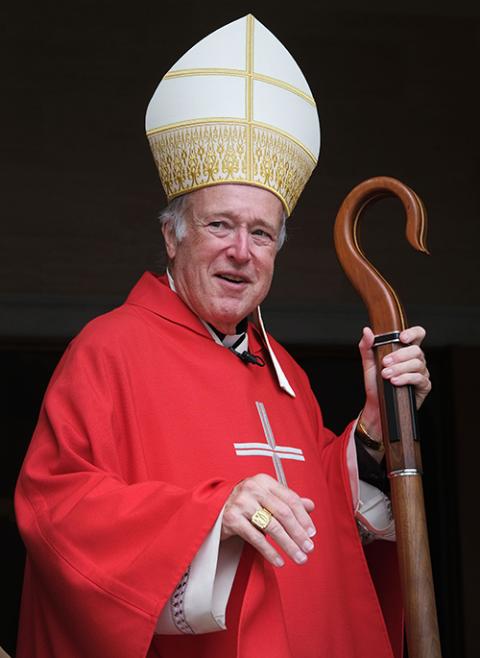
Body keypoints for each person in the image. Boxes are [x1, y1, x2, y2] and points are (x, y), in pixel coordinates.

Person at [15, 15, 431, 658]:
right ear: (171, 235)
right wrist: (210, 516)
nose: (240, 252)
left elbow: (323, 518)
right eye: (219, 226)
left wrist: (375, 428)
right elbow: (56, 509)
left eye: (261, 234)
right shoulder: (108, 351)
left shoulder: (285, 375)